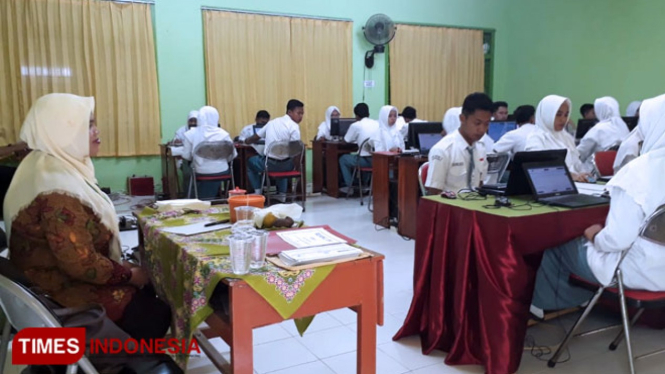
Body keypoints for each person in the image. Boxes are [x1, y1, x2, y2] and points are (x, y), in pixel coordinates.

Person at [3, 93, 171, 340]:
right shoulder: (56, 192)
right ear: (60, 130)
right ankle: (119, 361)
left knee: (147, 288)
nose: (96, 131)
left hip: (43, 284)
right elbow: (81, 264)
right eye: (87, 124)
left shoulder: (42, 166)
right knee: (155, 308)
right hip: (59, 297)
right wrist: (129, 274)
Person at [530, 93, 665, 318]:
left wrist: (595, 236)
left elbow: (616, 240)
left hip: (635, 272)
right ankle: (579, 300)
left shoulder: (638, 171)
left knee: (556, 241)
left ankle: (547, 304)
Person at [425, 93, 491, 194]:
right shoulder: (443, 150)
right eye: (477, 123)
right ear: (462, 119)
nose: (482, 130)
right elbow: (434, 193)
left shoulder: (480, 148)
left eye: (486, 124)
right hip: (450, 207)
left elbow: (480, 185)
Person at [525, 95, 590, 181]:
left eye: (566, 115)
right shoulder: (536, 138)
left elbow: (577, 164)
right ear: (547, 114)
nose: (563, 119)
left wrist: (584, 174)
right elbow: (540, 170)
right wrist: (571, 176)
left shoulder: (566, 137)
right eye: (558, 115)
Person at [246, 99, 303, 197]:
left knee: (250, 162)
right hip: (287, 167)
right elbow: (296, 150)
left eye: (302, 114)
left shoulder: (272, 123)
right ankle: (282, 195)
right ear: (289, 112)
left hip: (269, 165)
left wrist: (246, 141)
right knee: (286, 161)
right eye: (299, 113)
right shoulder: (294, 127)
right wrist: (296, 168)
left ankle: (257, 191)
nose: (301, 116)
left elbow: (255, 137)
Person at [181, 106, 237, 199]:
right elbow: (233, 155)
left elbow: (186, 156)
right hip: (223, 171)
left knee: (187, 168)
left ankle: (193, 198)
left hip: (200, 171)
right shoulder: (224, 134)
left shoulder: (191, 134)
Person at [577, 97, 629, 170]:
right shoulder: (623, 126)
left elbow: (579, 154)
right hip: (619, 171)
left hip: (595, 173)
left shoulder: (598, 129)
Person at [338, 103, 379, 194]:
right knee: (361, 156)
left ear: (356, 116)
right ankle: (365, 185)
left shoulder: (356, 125)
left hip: (366, 161)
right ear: (368, 114)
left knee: (343, 159)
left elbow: (345, 141)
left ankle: (351, 187)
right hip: (378, 160)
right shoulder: (377, 123)